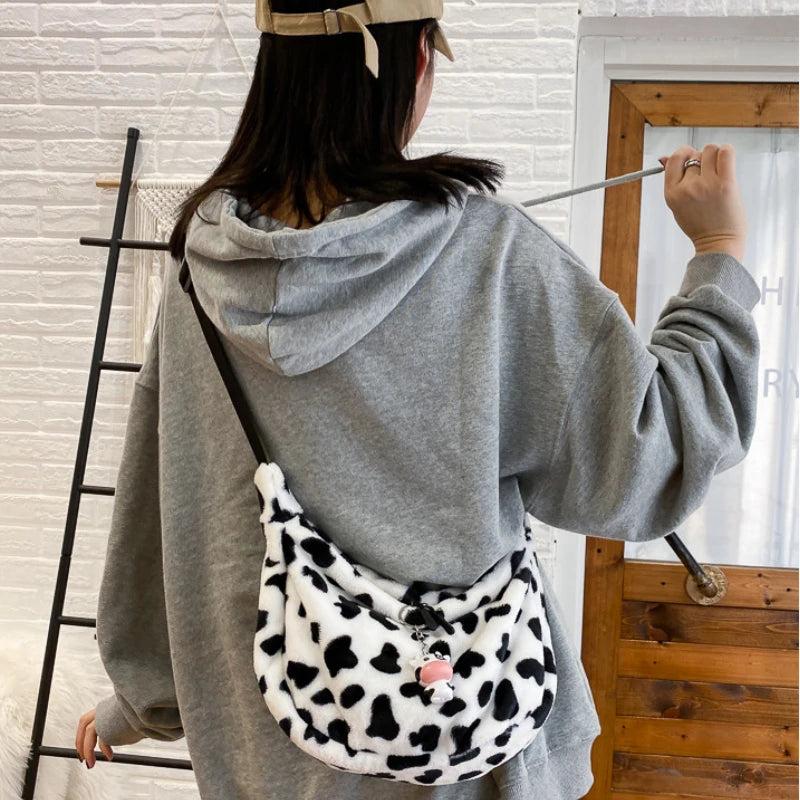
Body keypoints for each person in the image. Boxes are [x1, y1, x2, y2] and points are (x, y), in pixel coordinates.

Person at [75, 3, 760, 798]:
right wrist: (718, 253)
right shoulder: (491, 257)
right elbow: (649, 461)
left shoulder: (199, 278)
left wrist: (143, 699)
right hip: (473, 756)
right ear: (418, 61)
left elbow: (165, 509)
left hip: (269, 765)